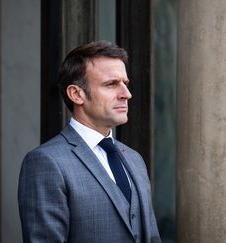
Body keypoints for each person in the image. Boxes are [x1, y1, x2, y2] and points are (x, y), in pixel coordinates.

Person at [18, 40, 161, 243]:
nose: (126, 94)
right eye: (111, 84)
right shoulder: (46, 162)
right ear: (77, 94)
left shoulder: (134, 159)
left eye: (125, 84)